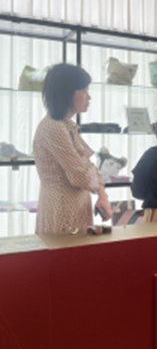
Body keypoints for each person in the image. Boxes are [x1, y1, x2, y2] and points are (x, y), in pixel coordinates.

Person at [33, 63, 112, 234]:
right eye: (84, 91)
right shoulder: (53, 128)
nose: (89, 97)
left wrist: (102, 195)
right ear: (66, 93)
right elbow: (81, 177)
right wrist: (93, 175)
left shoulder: (66, 126)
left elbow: (89, 169)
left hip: (76, 209)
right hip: (62, 212)